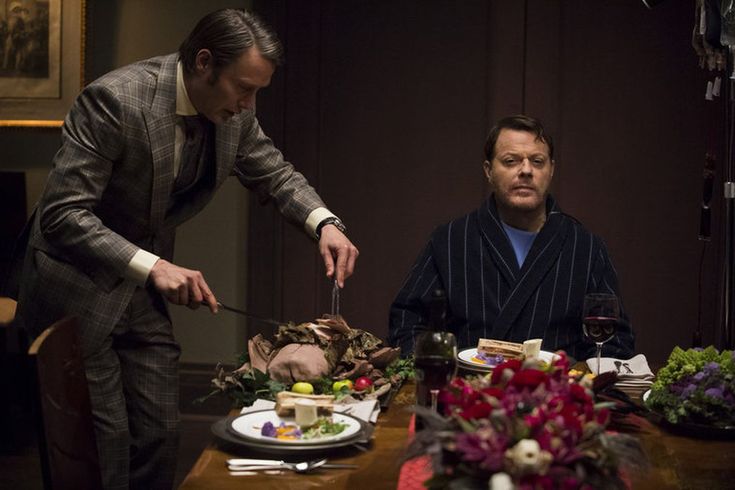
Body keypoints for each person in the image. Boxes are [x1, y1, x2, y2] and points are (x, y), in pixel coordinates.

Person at [14, 9, 358, 490]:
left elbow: (275, 174)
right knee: (106, 446)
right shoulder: (115, 101)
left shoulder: (235, 112)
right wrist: (154, 267)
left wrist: (324, 223)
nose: (249, 103)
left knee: (160, 434)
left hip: (142, 296)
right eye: (243, 87)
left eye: (257, 90)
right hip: (78, 293)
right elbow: (63, 215)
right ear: (202, 63)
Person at [388, 115, 633, 361]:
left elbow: (615, 343)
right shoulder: (450, 241)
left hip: (557, 394)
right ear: (488, 170)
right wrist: (439, 377)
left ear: (551, 170)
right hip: (467, 392)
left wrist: (579, 385)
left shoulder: (587, 248)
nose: (526, 170)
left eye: (537, 161)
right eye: (511, 161)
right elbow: (406, 324)